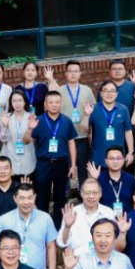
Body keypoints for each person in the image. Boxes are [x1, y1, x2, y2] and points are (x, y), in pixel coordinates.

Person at [29, 90, 78, 224]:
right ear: (45, 104)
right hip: (43, 164)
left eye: (57, 102)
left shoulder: (67, 121)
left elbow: (71, 143)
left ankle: (58, 226)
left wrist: (73, 165)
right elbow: (27, 140)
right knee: (42, 197)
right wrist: (30, 129)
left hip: (62, 163)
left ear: (61, 104)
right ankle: (42, 225)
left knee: (60, 197)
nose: (54, 105)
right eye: (51, 102)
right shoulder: (38, 121)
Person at [45, 60, 96, 187]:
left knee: (83, 166)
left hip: (82, 135)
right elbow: (48, 109)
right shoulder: (59, 90)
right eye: (70, 71)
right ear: (66, 74)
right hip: (64, 136)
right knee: (64, 166)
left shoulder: (87, 90)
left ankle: (83, 190)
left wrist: (91, 132)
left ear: (80, 73)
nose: (73, 74)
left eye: (76, 71)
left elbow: (93, 112)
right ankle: (65, 192)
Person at [87, 80, 135, 171]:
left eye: (112, 91)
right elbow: (83, 129)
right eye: (106, 90)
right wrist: (86, 115)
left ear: (116, 94)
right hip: (99, 158)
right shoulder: (93, 109)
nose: (109, 94)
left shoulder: (123, 110)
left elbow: (128, 131)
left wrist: (130, 152)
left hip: (118, 158)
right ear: (101, 93)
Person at [0, 90, 38, 185]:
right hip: (12, 160)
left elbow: (35, 139)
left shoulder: (31, 117)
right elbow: (3, 139)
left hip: (28, 160)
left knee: (29, 189)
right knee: (14, 190)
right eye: (14, 101)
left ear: (24, 102)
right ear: (11, 103)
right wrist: (5, 126)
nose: (17, 103)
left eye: (20, 100)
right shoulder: (7, 117)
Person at [91, 147, 135, 215]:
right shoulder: (100, 179)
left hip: (128, 219)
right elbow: (92, 200)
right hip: (105, 219)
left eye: (118, 158)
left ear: (123, 160)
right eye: (111, 158)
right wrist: (94, 180)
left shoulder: (131, 179)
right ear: (106, 161)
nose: (115, 162)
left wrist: (134, 217)